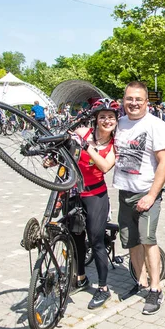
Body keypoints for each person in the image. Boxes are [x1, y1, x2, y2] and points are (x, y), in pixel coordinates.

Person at [114, 81, 165, 315]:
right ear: (123, 100)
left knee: (148, 239)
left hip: (147, 193)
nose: (134, 103)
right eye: (130, 99)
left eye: (139, 99)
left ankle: (156, 289)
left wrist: (151, 195)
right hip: (124, 192)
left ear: (147, 101)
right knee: (130, 241)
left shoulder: (156, 125)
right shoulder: (119, 124)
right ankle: (141, 282)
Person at [69, 102, 118, 309]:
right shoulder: (82, 131)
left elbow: (105, 166)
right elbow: (67, 150)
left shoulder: (115, 144)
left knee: (96, 239)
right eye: (102, 117)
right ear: (96, 119)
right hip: (72, 191)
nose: (107, 121)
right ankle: (80, 277)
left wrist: (86, 145)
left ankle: (103, 288)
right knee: (75, 238)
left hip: (96, 194)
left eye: (111, 117)